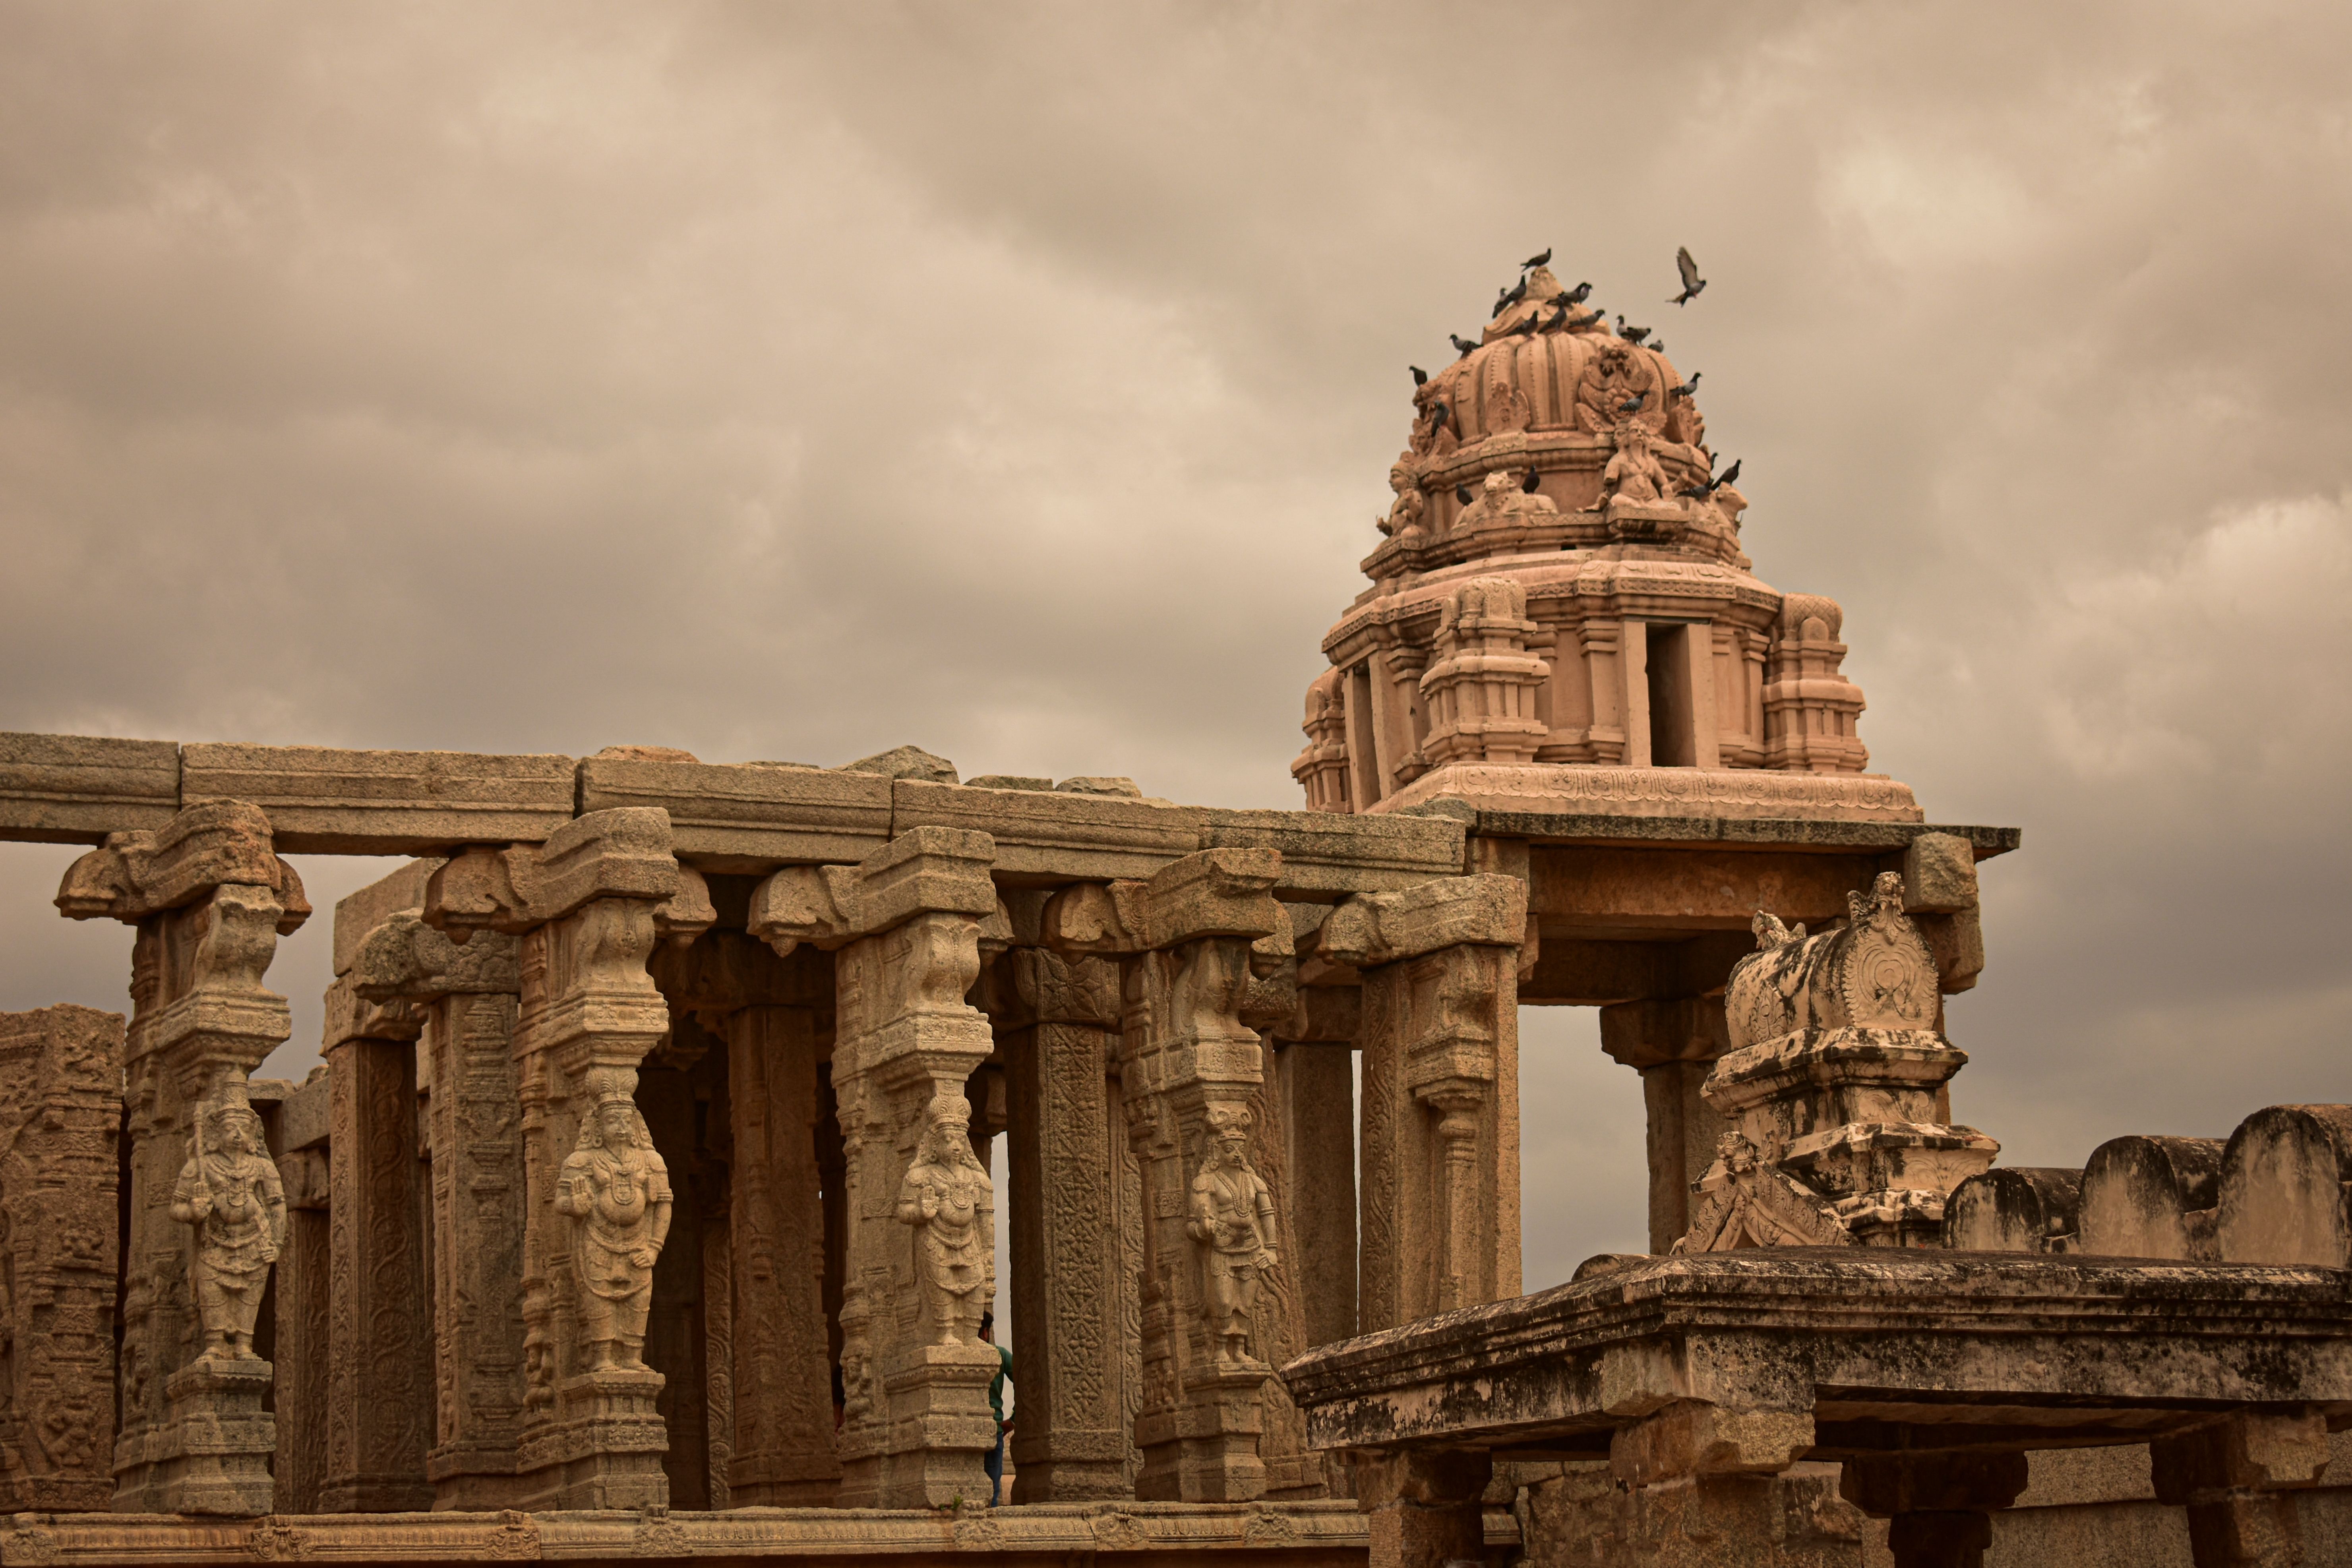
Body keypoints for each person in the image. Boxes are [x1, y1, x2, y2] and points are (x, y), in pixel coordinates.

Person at [979, 1311, 1013, 1506]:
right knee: (992, 1492)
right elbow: (1029, 1382)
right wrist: (1014, 1419)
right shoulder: (999, 1355)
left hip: (962, 1429)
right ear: (986, 1332)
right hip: (994, 1429)